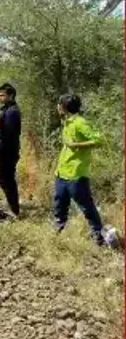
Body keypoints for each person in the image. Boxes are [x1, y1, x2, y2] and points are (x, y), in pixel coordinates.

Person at [54, 94, 105, 246]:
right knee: (59, 204)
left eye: (59, 104)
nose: (57, 107)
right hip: (62, 172)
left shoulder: (80, 123)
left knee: (86, 205)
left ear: (64, 107)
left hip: (76, 173)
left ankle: (98, 235)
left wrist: (77, 145)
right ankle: (57, 233)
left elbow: (99, 140)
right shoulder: (67, 122)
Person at [0, 82, 22, 217]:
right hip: (6, 148)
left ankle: (14, 210)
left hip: (9, 150)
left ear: (11, 95)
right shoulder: (6, 109)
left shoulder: (12, 112)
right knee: (5, 179)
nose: (0, 98)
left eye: (2, 95)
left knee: (6, 179)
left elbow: (7, 136)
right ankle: (13, 207)